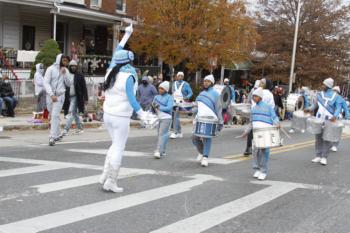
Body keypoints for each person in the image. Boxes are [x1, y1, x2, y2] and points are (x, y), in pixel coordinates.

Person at [99, 24, 147, 193]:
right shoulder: (128, 75)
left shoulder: (111, 70)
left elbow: (117, 51)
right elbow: (132, 98)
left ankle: (105, 174)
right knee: (119, 147)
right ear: (130, 60)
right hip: (120, 117)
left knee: (114, 145)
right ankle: (110, 181)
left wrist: (127, 34)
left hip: (108, 115)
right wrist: (142, 114)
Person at [245, 87, 280, 180]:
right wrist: (246, 131)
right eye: (253, 96)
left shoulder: (268, 107)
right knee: (255, 151)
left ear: (260, 97)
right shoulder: (253, 108)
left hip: (265, 132)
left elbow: (274, 117)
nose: (253, 98)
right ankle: (257, 169)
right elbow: (251, 122)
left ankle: (263, 171)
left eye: (255, 96)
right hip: (256, 133)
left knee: (264, 152)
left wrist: (277, 123)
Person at [305, 78, 341, 166]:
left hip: (329, 120)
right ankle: (318, 155)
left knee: (327, 139)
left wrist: (335, 116)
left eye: (324, 85)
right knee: (318, 139)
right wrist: (309, 109)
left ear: (328, 86)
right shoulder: (319, 95)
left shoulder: (336, 97)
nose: (322, 86)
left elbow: (338, 108)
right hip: (319, 119)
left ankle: (324, 157)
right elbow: (315, 105)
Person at [192, 75, 223, 167]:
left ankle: (205, 157)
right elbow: (196, 106)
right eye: (205, 81)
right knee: (194, 138)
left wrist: (220, 121)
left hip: (210, 119)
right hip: (199, 118)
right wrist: (190, 110)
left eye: (208, 81)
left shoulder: (216, 94)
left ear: (212, 83)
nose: (205, 83)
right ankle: (201, 152)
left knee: (207, 138)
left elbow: (218, 108)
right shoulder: (200, 94)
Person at [44, 54, 71, 146]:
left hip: (60, 96)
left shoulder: (66, 70)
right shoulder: (50, 69)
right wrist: (51, 94)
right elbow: (46, 82)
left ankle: (52, 137)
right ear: (59, 60)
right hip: (50, 96)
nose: (66, 63)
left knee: (55, 115)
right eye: (64, 61)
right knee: (52, 115)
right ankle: (58, 134)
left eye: (67, 61)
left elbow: (69, 84)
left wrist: (65, 74)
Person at [62, 60, 88, 136]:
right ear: (69, 67)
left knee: (71, 112)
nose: (73, 67)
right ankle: (80, 128)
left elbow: (84, 87)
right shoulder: (66, 74)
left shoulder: (80, 75)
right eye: (72, 66)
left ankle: (66, 130)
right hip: (67, 97)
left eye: (75, 66)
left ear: (76, 67)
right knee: (74, 114)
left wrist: (86, 98)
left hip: (76, 96)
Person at [152, 81, 173, 158]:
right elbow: (153, 105)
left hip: (166, 118)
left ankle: (158, 151)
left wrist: (159, 107)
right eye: (159, 88)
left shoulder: (169, 97)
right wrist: (153, 108)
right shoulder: (156, 97)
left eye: (162, 89)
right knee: (160, 135)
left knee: (161, 134)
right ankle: (163, 150)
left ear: (166, 89)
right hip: (158, 118)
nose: (160, 90)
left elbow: (169, 107)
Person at [170, 71, 193, 139]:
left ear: (183, 77)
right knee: (175, 116)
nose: (180, 77)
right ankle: (179, 132)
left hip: (182, 102)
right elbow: (172, 92)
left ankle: (175, 132)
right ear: (177, 76)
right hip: (174, 102)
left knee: (176, 116)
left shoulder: (186, 84)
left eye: (181, 76)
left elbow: (190, 93)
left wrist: (187, 97)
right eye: (178, 75)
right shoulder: (174, 83)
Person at [243, 79, 261, 156]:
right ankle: (249, 147)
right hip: (255, 112)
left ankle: (252, 148)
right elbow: (249, 100)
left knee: (255, 130)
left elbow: (249, 100)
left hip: (259, 112)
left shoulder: (254, 90)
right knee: (252, 130)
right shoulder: (258, 91)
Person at [330, 86, 350, 152]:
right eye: (333, 90)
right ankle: (328, 144)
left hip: (338, 117)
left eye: (335, 91)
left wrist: (348, 115)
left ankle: (335, 145)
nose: (334, 92)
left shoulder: (341, 99)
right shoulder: (330, 98)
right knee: (329, 131)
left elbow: (346, 109)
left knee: (337, 132)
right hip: (330, 117)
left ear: (338, 92)